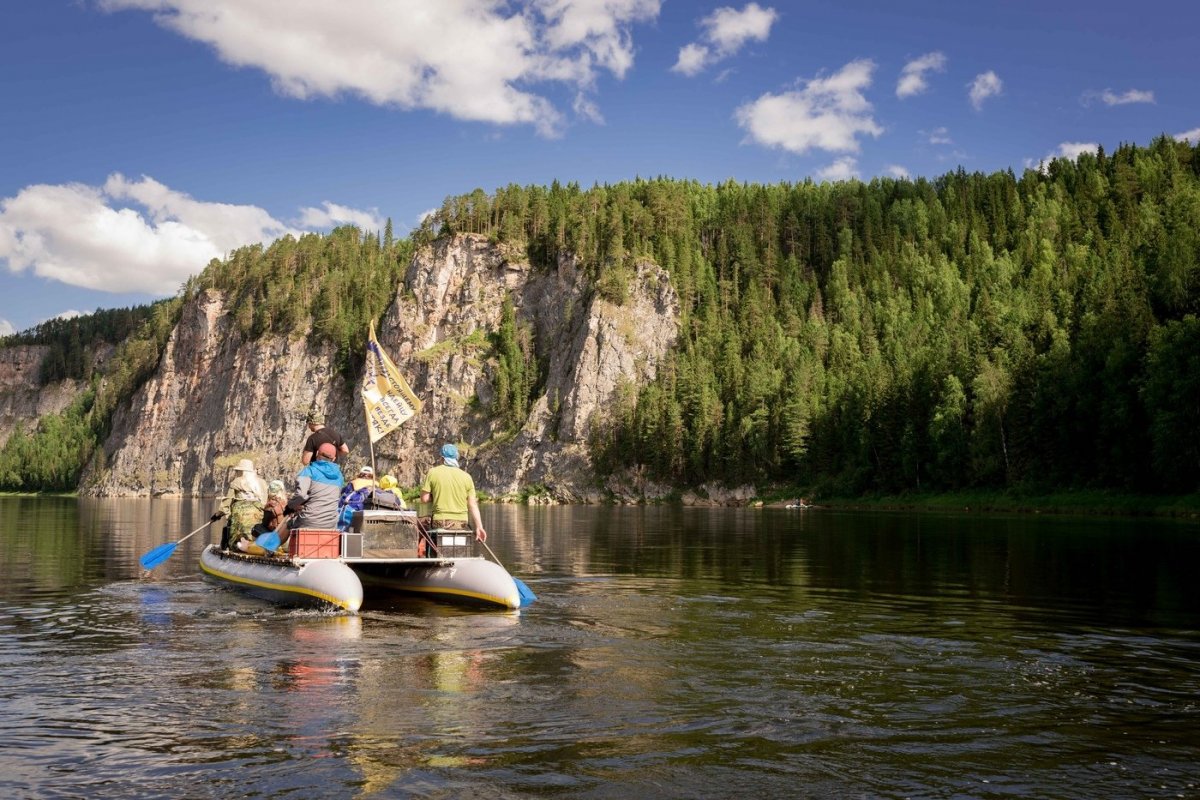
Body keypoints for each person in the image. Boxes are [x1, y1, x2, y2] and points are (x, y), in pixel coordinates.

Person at [274, 441, 345, 548]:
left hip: (309, 521)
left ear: (317, 454)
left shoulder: (309, 471)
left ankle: (269, 549)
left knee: (289, 519)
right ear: (334, 459)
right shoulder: (339, 476)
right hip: (331, 523)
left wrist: (290, 506)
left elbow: (301, 496)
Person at [420, 443, 487, 542]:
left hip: (440, 522)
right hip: (461, 523)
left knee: (423, 525)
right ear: (456, 458)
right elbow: (472, 504)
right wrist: (479, 527)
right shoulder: (467, 477)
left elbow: (424, 499)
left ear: (442, 458)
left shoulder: (433, 472)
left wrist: (436, 496)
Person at [213, 458, 268, 551]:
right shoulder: (262, 483)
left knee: (234, 530)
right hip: (259, 515)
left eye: (238, 471)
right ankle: (256, 544)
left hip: (240, 516)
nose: (237, 473)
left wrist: (217, 514)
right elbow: (264, 501)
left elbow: (227, 503)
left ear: (242, 471)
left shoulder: (237, 482)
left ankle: (235, 546)